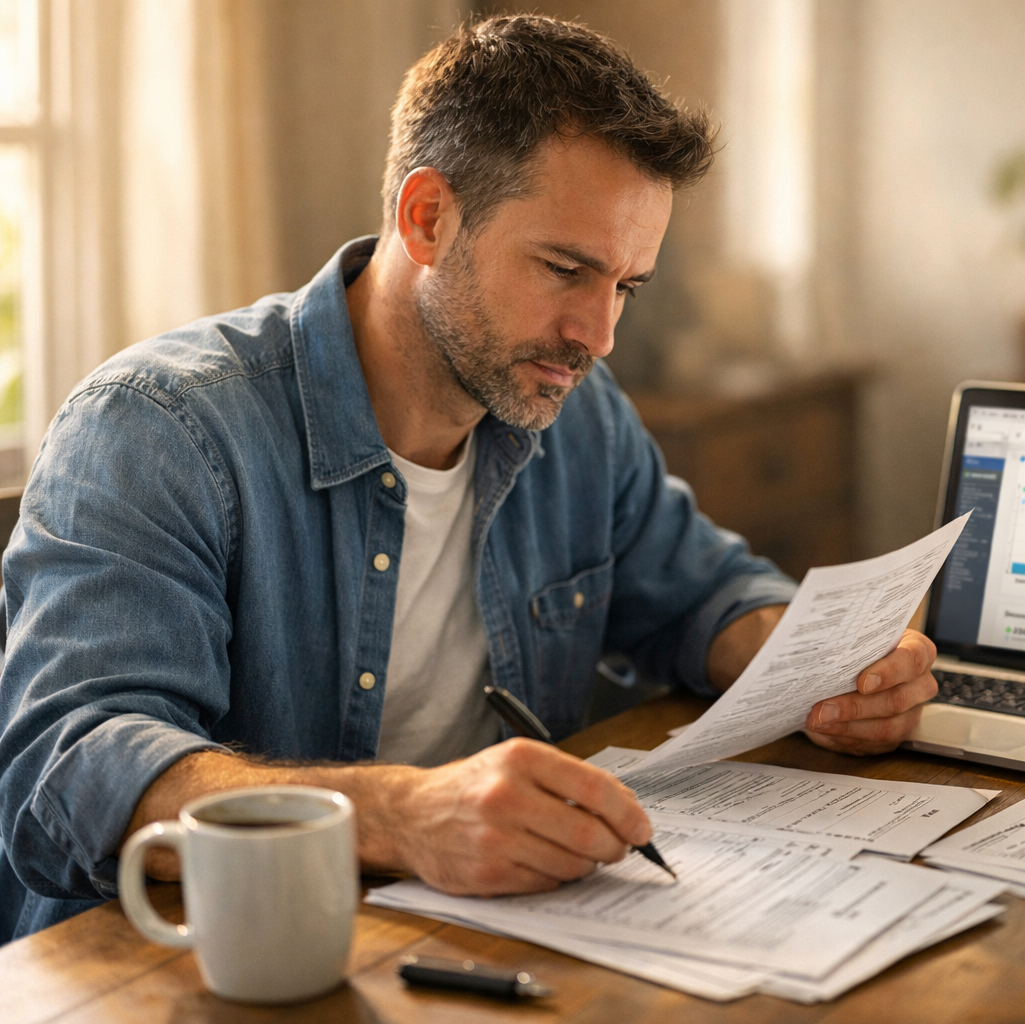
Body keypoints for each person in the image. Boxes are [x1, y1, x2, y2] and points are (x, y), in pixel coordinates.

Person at [0, 15, 939, 941]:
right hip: (185, 968)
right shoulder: (160, 428)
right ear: (427, 217)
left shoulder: (578, 413)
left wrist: (823, 668)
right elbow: (69, 769)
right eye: (565, 268)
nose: (598, 336)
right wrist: (404, 816)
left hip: (466, 940)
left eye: (625, 286)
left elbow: (704, 593)